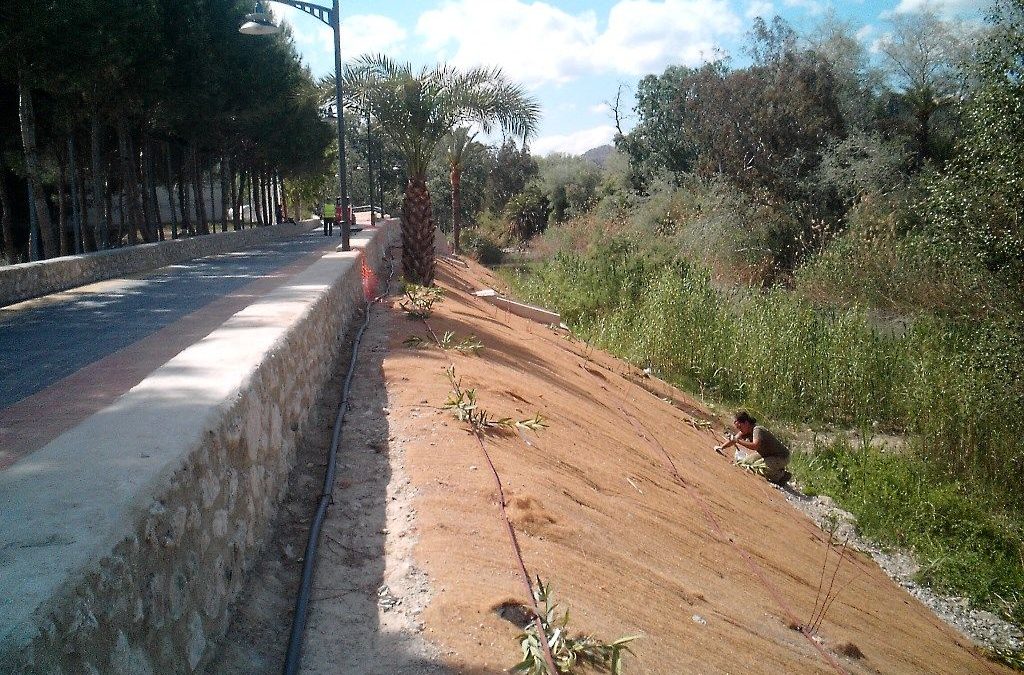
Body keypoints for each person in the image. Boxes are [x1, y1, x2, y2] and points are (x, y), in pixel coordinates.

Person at [716, 410, 791, 484]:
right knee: (745, 463)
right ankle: (775, 468)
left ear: (746, 423)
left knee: (757, 466)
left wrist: (738, 441)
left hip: (781, 457)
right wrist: (722, 447)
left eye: (740, 427)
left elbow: (755, 446)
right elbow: (734, 440)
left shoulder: (757, 430)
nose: (740, 430)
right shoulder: (745, 431)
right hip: (766, 454)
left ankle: (781, 475)